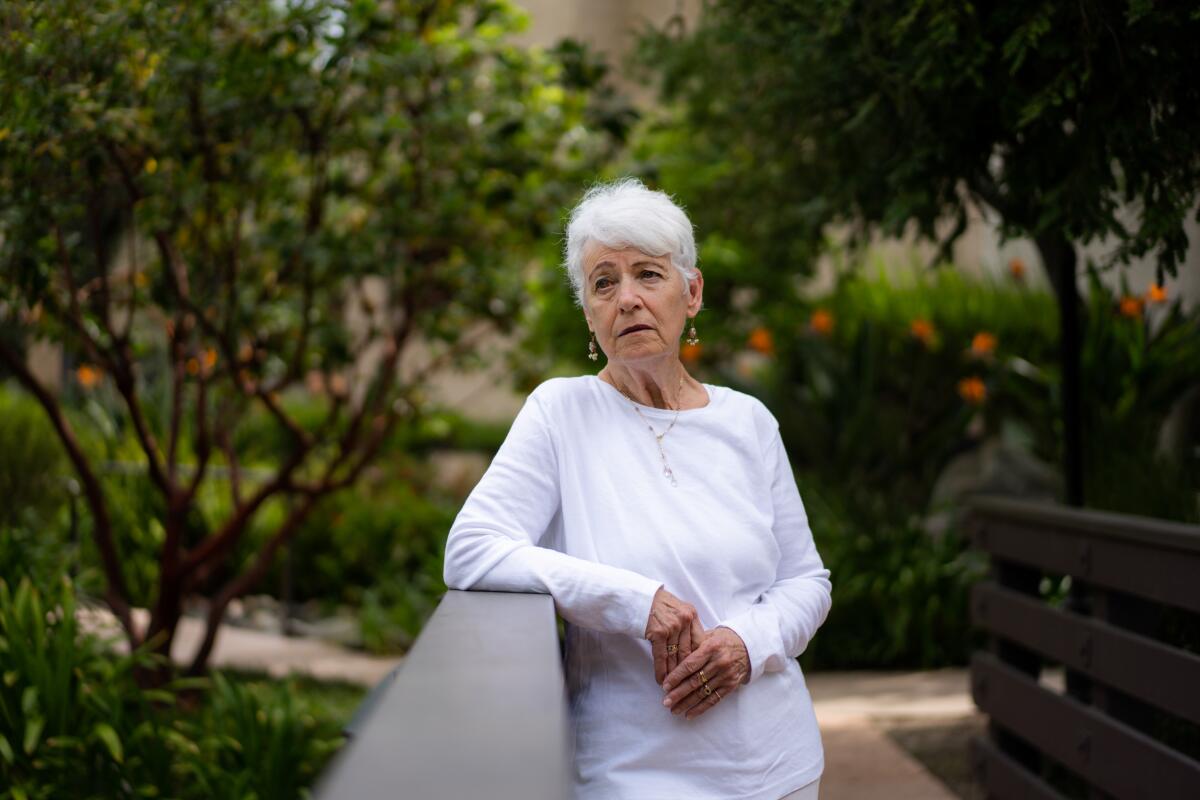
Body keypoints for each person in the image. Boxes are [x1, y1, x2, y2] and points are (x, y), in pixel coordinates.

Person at [443, 178, 832, 800]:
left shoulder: (748, 421)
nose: (627, 300)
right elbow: (472, 549)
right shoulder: (560, 413)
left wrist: (745, 642)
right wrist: (635, 600)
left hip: (778, 766)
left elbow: (807, 581)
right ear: (590, 316)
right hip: (634, 773)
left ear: (692, 292)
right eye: (604, 282)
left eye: (648, 275)